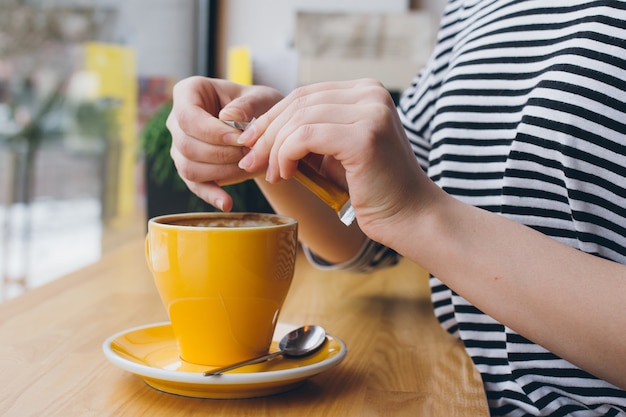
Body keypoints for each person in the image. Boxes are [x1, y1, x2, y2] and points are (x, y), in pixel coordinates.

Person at [166, 0, 626, 415]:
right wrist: (274, 144)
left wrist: (420, 216)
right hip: (461, 396)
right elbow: (376, 229)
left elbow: (417, 215)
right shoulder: (472, 9)